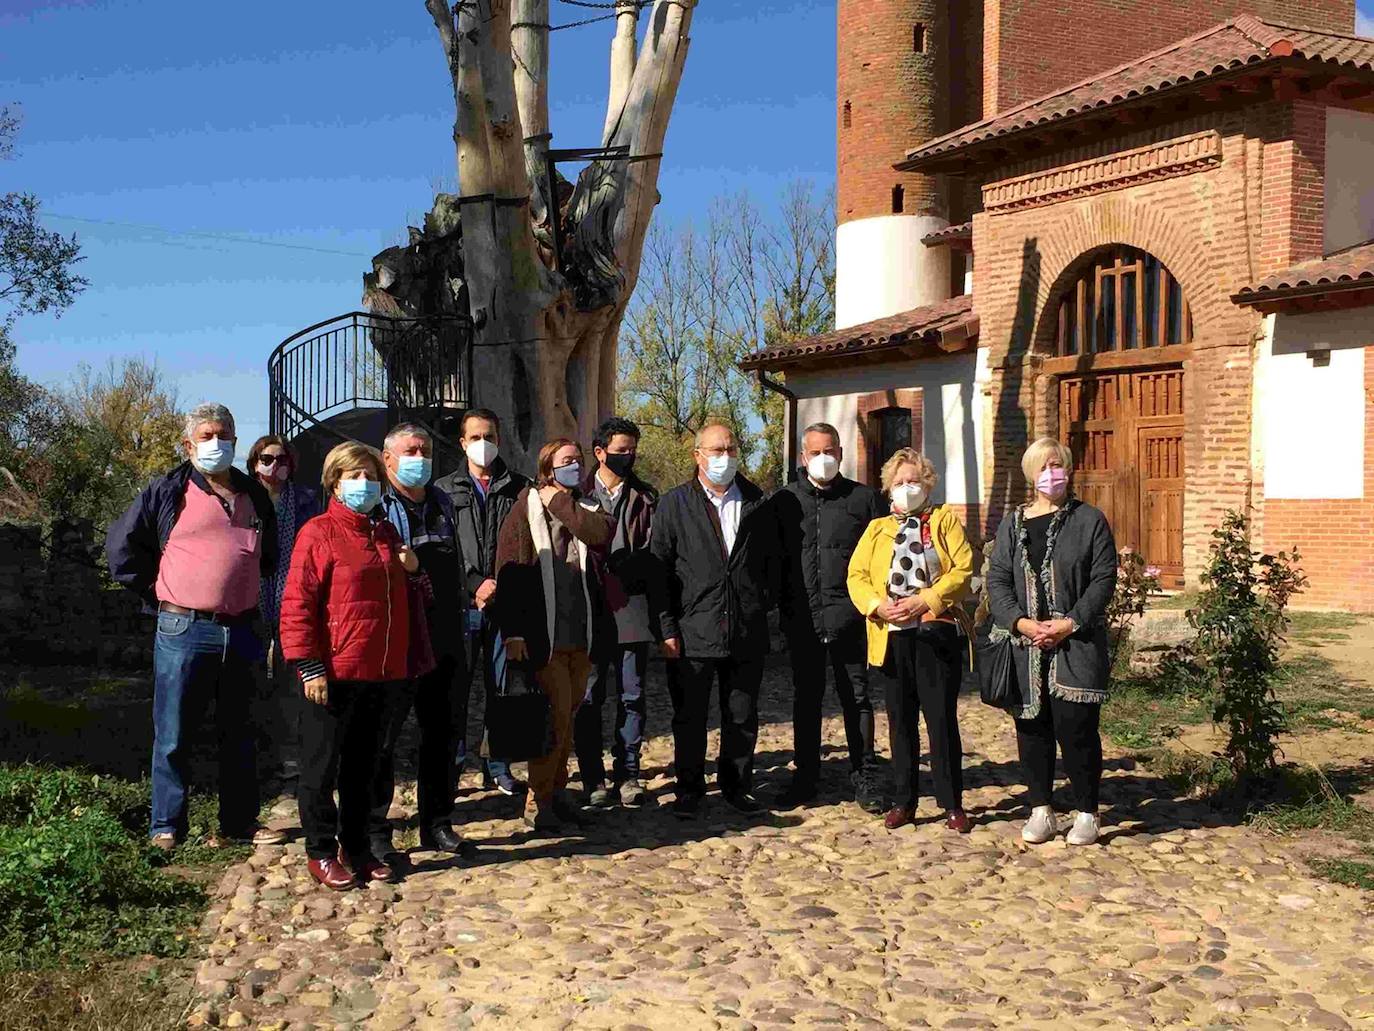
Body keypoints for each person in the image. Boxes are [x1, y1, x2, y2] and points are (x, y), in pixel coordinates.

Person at [106, 403, 285, 850]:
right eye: (206, 435)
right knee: (173, 733)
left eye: (224, 434)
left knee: (241, 732)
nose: (216, 443)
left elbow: (267, 557)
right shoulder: (167, 490)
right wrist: (162, 595)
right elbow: (121, 553)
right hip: (182, 630)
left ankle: (239, 824)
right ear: (188, 445)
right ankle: (166, 825)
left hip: (241, 631)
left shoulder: (253, 495)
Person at [280, 441, 419, 889]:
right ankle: (319, 851)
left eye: (372, 477)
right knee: (321, 768)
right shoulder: (318, 533)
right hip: (333, 672)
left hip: (381, 673)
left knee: (365, 768)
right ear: (335, 483)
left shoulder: (385, 534)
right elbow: (298, 604)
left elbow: (408, 600)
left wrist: (412, 568)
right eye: (354, 476)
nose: (365, 484)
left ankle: (356, 847)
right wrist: (309, 665)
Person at [986, 437, 1117, 847]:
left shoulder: (1090, 519)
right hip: (1025, 646)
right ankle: (1041, 808)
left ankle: (1086, 812)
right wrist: (1020, 622)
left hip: (1075, 644)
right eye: (1043, 467)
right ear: (1030, 474)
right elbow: (998, 579)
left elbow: (1103, 578)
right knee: (1031, 727)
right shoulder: (1014, 522)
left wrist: (1069, 622)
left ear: (1069, 469)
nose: (1051, 474)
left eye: (1057, 465)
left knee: (1076, 728)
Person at [650, 419, 782, 819]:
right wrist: (666, 628)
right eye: (715, 450)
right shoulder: (675, 504)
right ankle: (689, 790)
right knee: (690, 717)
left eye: (730, 449)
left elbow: (773, 563)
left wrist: (761, 605)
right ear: (697, 456)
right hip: (694, 630)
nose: (724, 457)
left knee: (741, 714)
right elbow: (660, 572)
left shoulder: (758, 501)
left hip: (745, 628)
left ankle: (737, 785)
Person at [847, 448, 974, 833]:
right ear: (888, 488)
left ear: (927, 483)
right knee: (900, 723)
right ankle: (904, 801)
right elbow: (856, 576)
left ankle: (952, 804)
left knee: (940, 722)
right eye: (900, 482)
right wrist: (877, 606)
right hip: (891, 636)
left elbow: (964, 569)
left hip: (934, 632)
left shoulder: (944, 520)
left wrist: (926, 600)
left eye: (914, 480)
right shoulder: (876, 529)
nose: (907, 488)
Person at [492, 439, 614, 832]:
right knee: (555, 719)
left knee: (569, 721)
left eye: (578, 460)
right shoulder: (526, 504)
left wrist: (561, 501)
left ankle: (558, 793)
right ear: (547, 467)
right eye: (566, 462)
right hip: (543, 636)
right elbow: (510, 566)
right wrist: (512, 631)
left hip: (583, 634)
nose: (575, 466)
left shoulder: (587, 505)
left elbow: (598, 535)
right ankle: (538, 800)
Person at [774, 422, 887, 812]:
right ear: (803, 457)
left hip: (850, 618)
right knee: (806, 699)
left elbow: (881, 559)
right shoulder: (784, 502)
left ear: (840, 452)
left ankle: (866, 775)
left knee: (856, 697)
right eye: (815, 452)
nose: (824, 458)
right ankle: (805, 776)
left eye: (830, 451)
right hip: (802, 619)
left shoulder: (865, 500)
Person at [373, 423, 473, 860]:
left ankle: (438, 822)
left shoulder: (443, 502)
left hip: (446, 632)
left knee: (444, 734)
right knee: (383, 737)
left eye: (426, 450)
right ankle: (376, 829)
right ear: (387, 458)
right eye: (411, 450)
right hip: (398, 634)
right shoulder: (376, 503)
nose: (420, 457)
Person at [435, 408, 531, 798]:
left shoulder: (520, 488)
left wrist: (502, 587)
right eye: (474, 437)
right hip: (461, 606)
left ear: (500, 439)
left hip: (506, 606)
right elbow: (444, 549)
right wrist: (474, 584)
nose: (483, 444)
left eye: (488, 436)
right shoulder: (444, 490)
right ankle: (452, 765)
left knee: (503, 690)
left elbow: (527, 547)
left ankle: (498, 764)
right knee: (455, 691)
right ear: (462, 443)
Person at [572, 416, 662, 810]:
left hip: (632, 609)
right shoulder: (574, 494)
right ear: (600, 451)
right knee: (588, 697)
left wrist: (639, 564)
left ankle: (629, 773)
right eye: (621, 450)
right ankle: (593, 777)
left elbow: (657, 552)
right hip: (588, 612)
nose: (628, 456)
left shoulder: (646, 497)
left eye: (632, 450)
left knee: (633, 696)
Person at [247, 434, 320, 784]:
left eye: (281, 459)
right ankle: (263, 754)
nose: (273, 466)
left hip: (294, 598)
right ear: (254, 463)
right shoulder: (243, 500)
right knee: (257, 680)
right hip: (253, 598)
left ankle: (294, 754)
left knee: (295, 681)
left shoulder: (307, 501)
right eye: (266, 459)